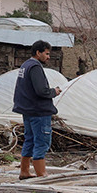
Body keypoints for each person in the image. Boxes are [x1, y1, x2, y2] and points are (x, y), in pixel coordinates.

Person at [12, 41, 62, 179]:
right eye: (46, 53)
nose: (48, 57)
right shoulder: (35, 67)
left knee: (30, 140)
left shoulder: (25, 65)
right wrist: (54, 91)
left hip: (27, 110)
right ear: (38, 53)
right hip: (38, 111)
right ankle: (41, 174)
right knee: (42, 141)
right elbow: (41, 91)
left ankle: (25, 171)